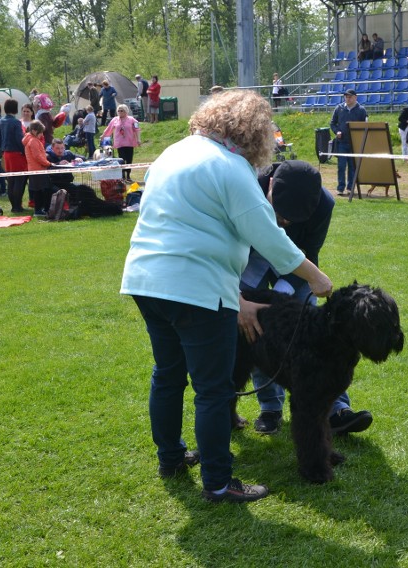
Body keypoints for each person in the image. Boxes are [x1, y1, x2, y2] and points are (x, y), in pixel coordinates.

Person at [119, 89, 333, 503]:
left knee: (167, 374)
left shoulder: (173, 152)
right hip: (197, 287)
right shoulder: (232, 168)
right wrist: (318, 278)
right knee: (213, 389)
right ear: (256, 135)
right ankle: (219, 482)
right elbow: (270, 238)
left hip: (146, 279)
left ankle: (172, 458)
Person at [238, 160, 373, 436]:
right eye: (280, 213)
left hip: (297, 262)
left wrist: (284, 293)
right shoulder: (246, 185)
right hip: (250, 256)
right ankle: (270, 408)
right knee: (257, 329)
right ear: (271, 184)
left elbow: (309, 252)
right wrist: (262, 305)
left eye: (291, 220)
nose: (283, 222)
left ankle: (335, 409)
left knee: (316, 336)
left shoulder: (325, 204)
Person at [329, 88, 368, 196]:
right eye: (346, 96)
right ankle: (340, 188)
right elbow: (332, 123)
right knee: (341, 166)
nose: (348, 98)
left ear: (355, 97)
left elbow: (365, 126)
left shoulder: (361, 110)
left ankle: (350, 187)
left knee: (352, 166)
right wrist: (337, 132)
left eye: (350, 96)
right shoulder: (339, 108)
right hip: (341, 142)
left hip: (354, 143)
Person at [0, 98, 28, 212]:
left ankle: (14, 206)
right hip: (16, 153)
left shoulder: (2, 121)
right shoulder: (16, 122)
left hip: (6, 153)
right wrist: (24, 151)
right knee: (19, 181)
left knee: (11, 181)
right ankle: (17, 206)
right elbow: (19, 139)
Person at [102, 104, 141, 182]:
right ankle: (122, 176)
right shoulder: (115, 120)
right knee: (121, 160)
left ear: (126, 111)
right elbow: (109, 128)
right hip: (120, 143)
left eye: (122, 110)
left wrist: (138, 139)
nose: (120, 112)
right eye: (118, 110)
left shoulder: (132, 120)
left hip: (129, 142)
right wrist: (103, 135)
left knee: (129, 160)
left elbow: (137, 129)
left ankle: (128, 176)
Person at [23, 120, 52, 216]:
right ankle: (38, 210)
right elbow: (37, 156)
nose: (42, 135)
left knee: (37, 190)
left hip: (34, 169)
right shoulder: (33, 141)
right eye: (41, 133)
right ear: (35, 131)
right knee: (40, 191)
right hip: (38, 169)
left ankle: (39, 209)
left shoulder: (29, 139)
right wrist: (48, 163)